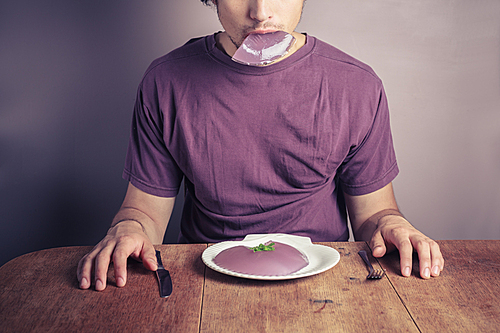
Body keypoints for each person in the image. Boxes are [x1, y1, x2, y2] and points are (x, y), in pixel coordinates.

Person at [78, 0, 444, 291]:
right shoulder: (165, 82)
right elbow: (144, 212)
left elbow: (374, 215)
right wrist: (129, 229)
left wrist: (395, 226)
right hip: (203, 281)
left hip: (327, 281)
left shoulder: (357, 86)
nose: (260, 12)